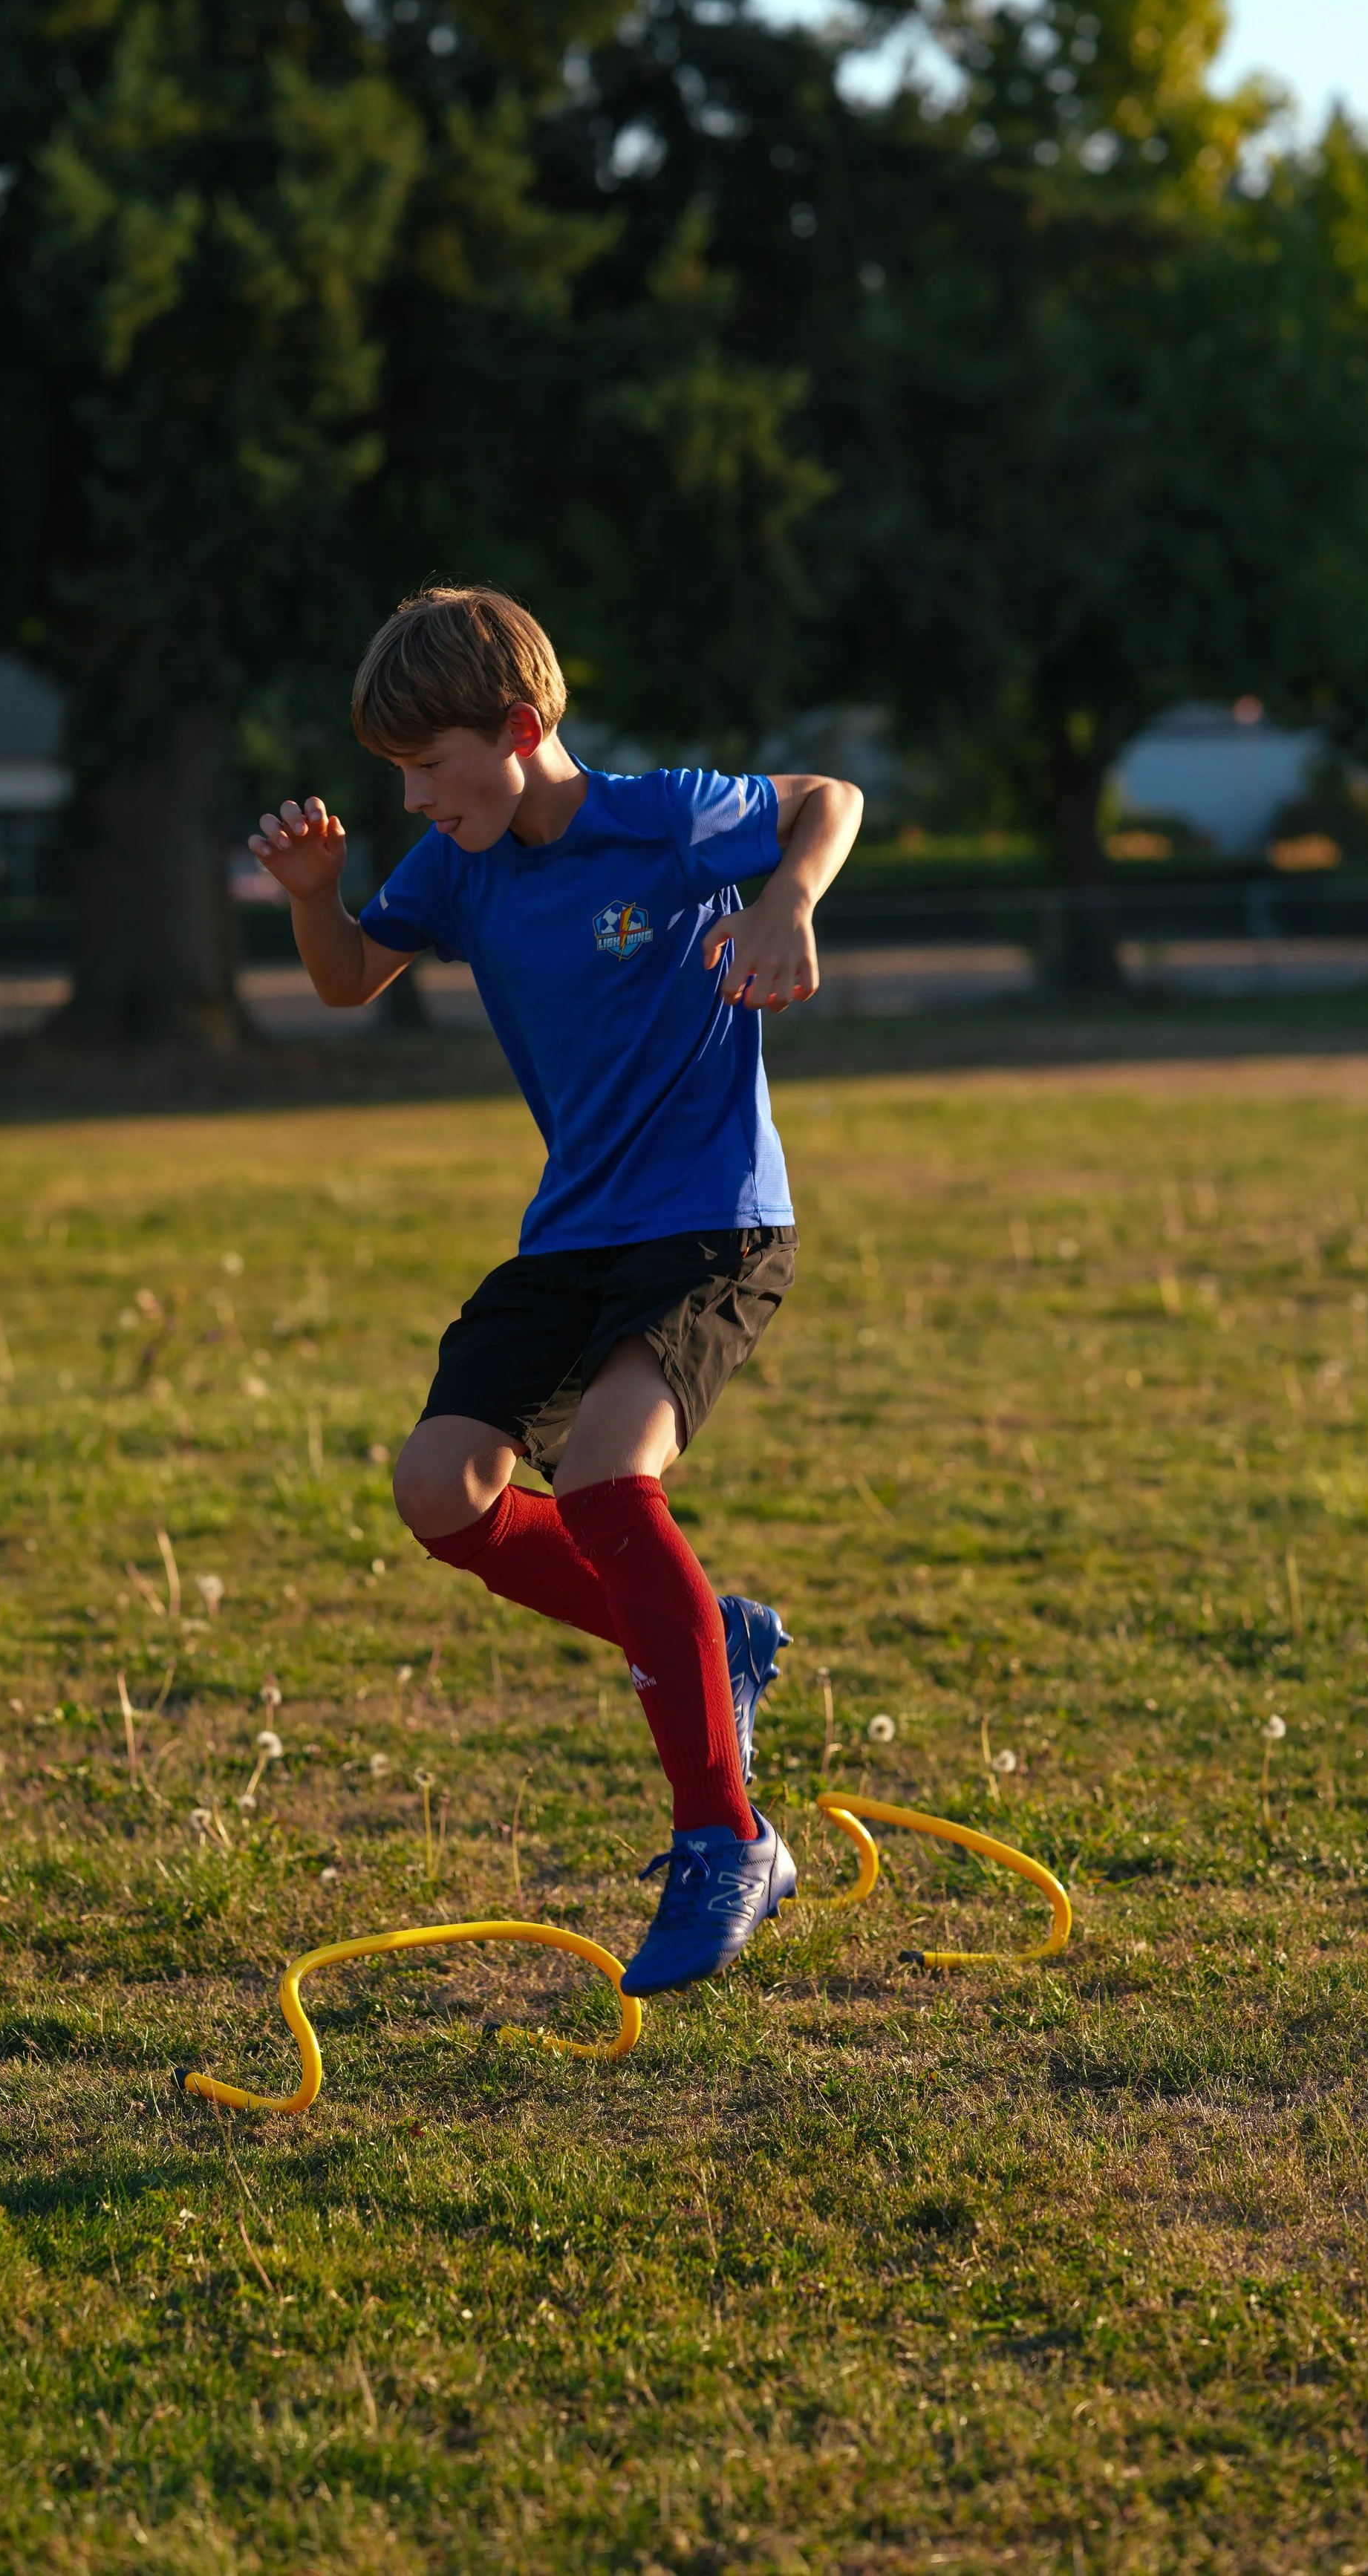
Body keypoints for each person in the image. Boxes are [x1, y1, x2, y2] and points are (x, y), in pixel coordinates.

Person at [248, 586, 861, 1993]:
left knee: (604, 1477)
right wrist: (312, 899)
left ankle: (725, 1838)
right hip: (571, 1235)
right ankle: (718, 1638)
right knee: (439, 1487)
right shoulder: (457, 867)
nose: (410, 793)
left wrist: (786, 898)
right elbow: (348, 979)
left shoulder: (665, 817)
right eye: (395, 769)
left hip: (712, 1225)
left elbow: (832, 793)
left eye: (427, 763)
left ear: (520, 730)